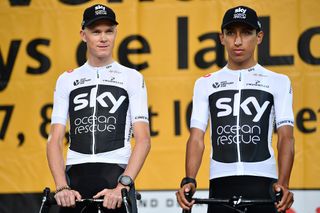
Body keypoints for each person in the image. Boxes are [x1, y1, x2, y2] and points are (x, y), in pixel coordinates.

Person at [176, 5, 294, 213]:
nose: (238, 41)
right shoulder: (205, 83)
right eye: (231, 33)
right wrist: (189, 179)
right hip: (221, 183)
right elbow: (196, 138)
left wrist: (284, 183)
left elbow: (286, 137)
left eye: (246, 33)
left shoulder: (279, 82)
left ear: (259, 37)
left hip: (263, 184)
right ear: (221, 38)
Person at [47, 4, 151, 213]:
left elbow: (143, 140)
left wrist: (122, 186)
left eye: (108, 31)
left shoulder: (132, 77)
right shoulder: (67, 79)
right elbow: (54, 139)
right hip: (75, 178)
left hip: (116, 174)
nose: (103, 38)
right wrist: (61, 186)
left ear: (115, 33)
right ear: (83, 35)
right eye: (96, 32)